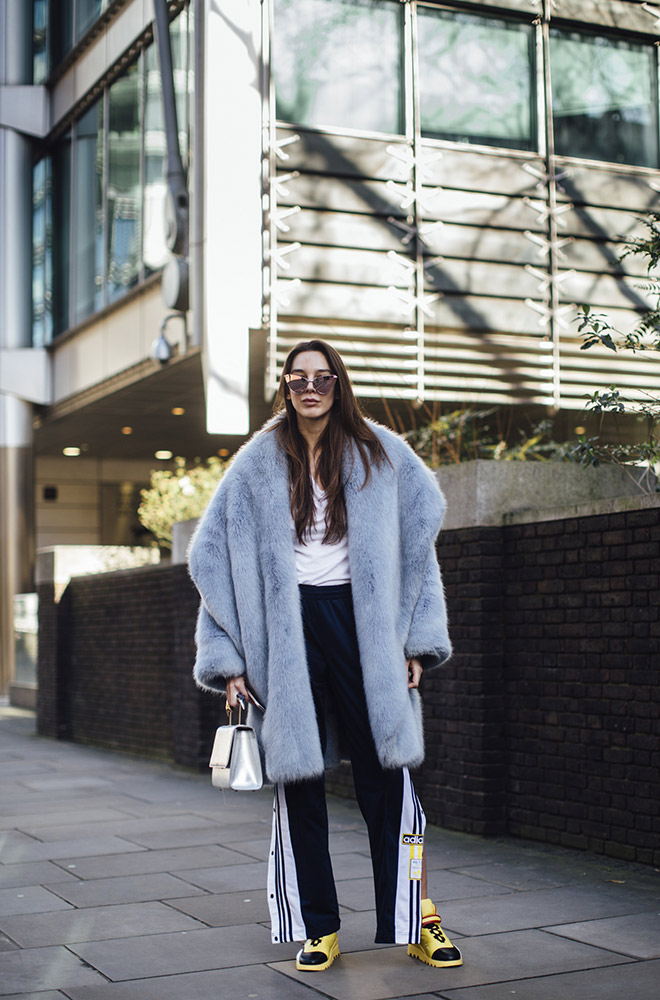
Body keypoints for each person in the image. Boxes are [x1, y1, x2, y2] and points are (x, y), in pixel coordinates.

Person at [188, 339, 462, 972]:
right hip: (286, 629)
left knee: (386, 776)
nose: (310, 388)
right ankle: (320, 927)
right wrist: (227, 658)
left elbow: (421, 544)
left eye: (323, 377)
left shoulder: (381, 452)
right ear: (286, 387)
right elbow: (215, 559)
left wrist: (418, 638)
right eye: (298, 379)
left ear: (339, 383)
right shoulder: (258, 461)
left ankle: (418, 918)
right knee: (301, 779)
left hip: (361, 624)